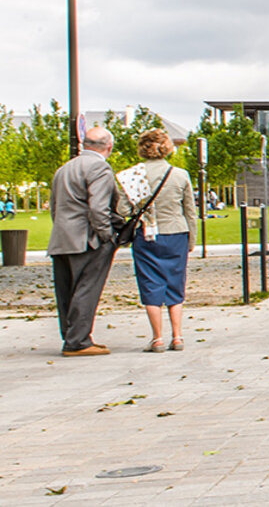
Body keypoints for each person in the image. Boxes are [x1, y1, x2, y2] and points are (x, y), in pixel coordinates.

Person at [48, 127, 122, 357]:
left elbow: (54, 207)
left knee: (66, 292)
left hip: (62, 237)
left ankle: (71, 336)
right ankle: (78, 341)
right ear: (109, 146)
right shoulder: (100, 168)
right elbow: (99, 208)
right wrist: (107, 235)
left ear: (84, 145)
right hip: (87, 239)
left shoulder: (64, 169)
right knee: (87, 288)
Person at [122, 129, 198, 353]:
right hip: (176, 233)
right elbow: (190, 211)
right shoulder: (180, 175)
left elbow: (122, 209)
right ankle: (177, 336)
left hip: (147, 233)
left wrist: (138, 209)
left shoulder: (133, 175)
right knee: (176, 282)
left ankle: (157, 338)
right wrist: (191, 240)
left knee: (150, 283)